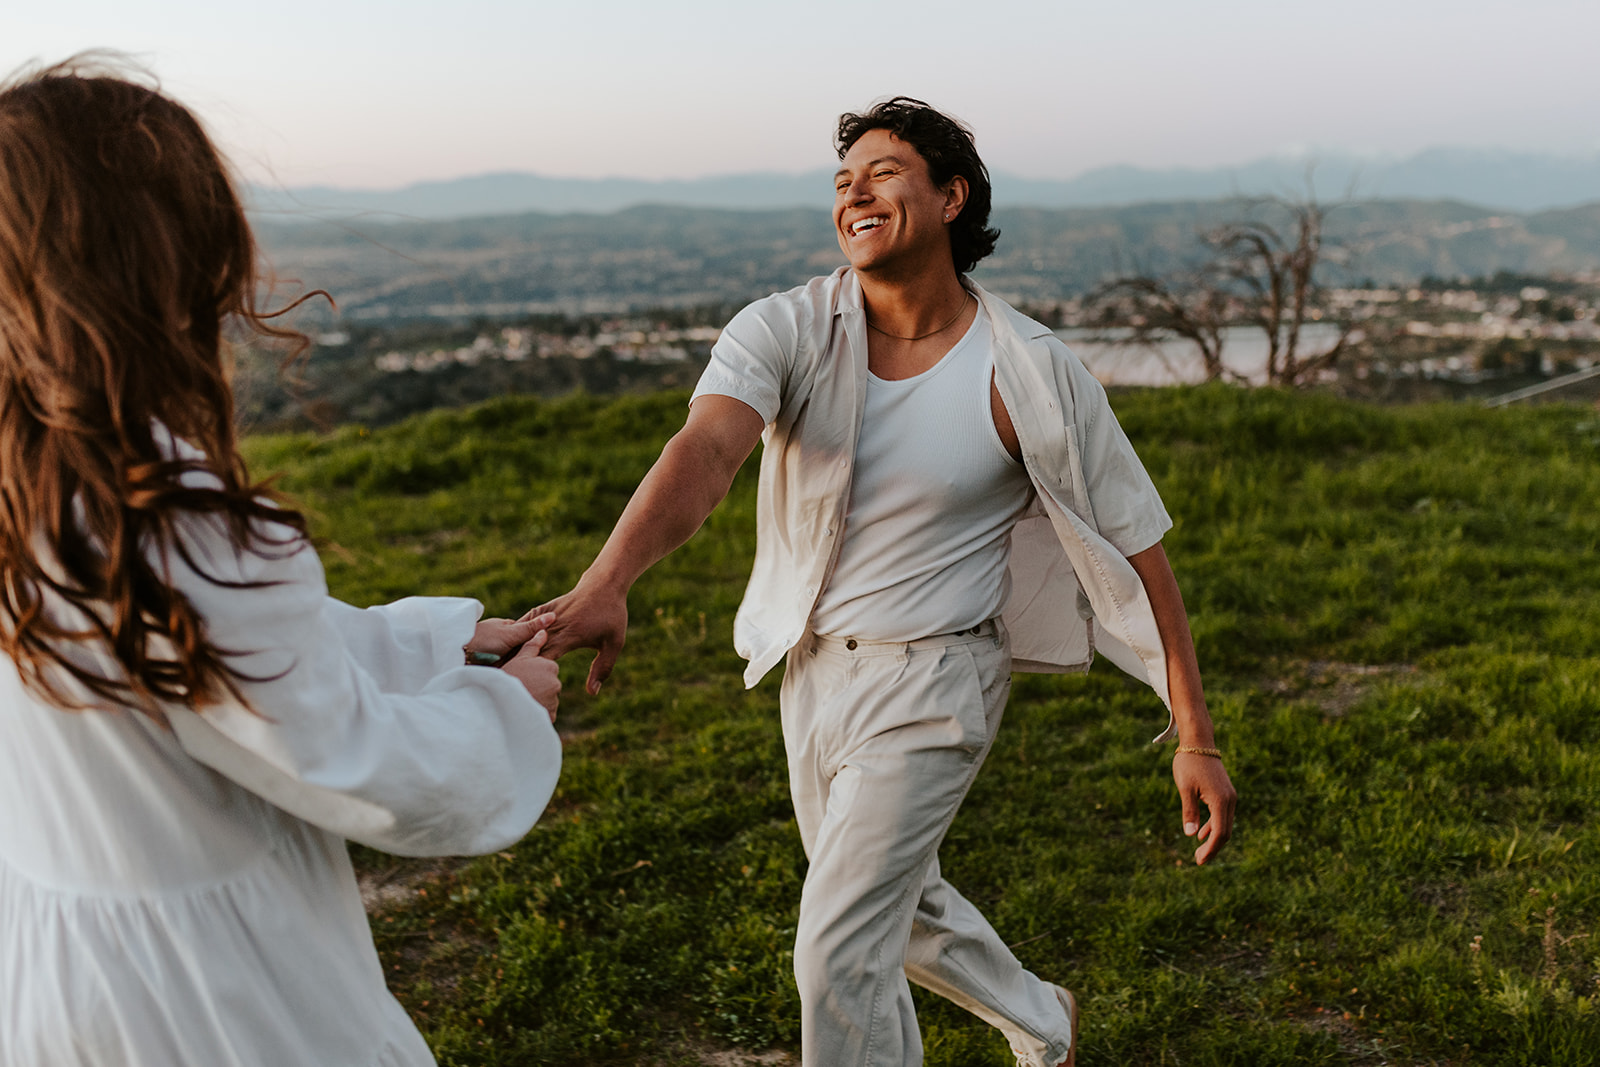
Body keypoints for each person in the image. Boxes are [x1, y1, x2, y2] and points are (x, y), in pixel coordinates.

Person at [536, 96, 1237, 1066]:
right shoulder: (787, 328)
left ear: (951, 197)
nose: (854, 193)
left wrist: (1195, 736)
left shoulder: (1030, 370)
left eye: (883, 172)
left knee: (836, 952)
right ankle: (1047, 1020)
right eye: (842, 180)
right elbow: (705, 450)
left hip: (939, 680)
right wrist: (610, 577)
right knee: (893, 909)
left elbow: (1142, 551)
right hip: (813, 671)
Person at [0, 59, 564, 1066]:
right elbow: (349, 759)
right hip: (213, 996)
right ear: (168, 261)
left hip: (58, 977)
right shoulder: (165, 514)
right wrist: (503, 708)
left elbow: (212, 656)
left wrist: (434, 640)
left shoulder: (26, 487)